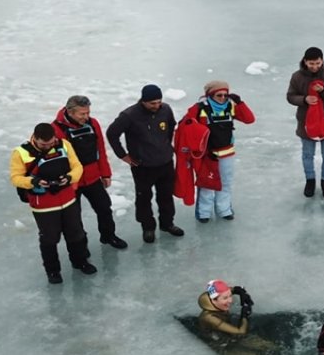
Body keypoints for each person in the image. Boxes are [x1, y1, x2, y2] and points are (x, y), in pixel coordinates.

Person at [9, 122, 96, 284]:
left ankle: (80, 261)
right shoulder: (20, 153)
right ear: (35, 138)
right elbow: (15, 178)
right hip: (43, 206)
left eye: (51, 143)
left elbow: (77, 167)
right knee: (49, 239)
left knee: (76, 233)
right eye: (44, 144)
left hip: (68, 200)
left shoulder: (64, 144)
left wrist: (69, 178)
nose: (48, 146)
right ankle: (53, 271)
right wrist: (34, 182)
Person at [106, 84, 184, 243]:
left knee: (166, 196)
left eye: (158, 102)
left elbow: (171, 127)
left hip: (165, 163)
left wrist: (165, 147)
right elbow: (112, 134)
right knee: (144, 198)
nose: (156, 106)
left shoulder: (166, 109)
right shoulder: (129, 115)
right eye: (152, 103)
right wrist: (123, 156)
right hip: (142, 166)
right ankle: (148, 227)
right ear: (143, 101)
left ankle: (167, 223)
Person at [52, 95, 128, 249]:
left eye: (88, 113)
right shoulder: (56, 130)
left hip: (92, 177)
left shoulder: (93, 124)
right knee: (73, 218)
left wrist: (105, 174)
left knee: (104, 207)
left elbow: (100, 149)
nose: (86, 117)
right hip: (72, 182)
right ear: (70, 112)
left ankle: (108, 236)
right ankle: (81, 248)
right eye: (82, 114)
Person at [183, 80, 256, 222]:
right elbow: (187, 127)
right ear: (210, 95)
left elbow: (249, 119)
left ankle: (224, 209)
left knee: (226, 182)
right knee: (207, 183)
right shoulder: (199, 108)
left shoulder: (230, 106)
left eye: (225, 95)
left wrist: (240, 103)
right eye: (219, 95)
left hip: (226, 152)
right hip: (207, 155)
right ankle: (204, 212)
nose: (223, 98)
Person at [285, 46, 324, 198]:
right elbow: (290, 96)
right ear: (305, 62)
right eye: (311, 63)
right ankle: (310, 181)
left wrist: (323, 91)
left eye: (317, 63)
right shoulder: (297, 77)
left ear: (322, 60)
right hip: (307, 123)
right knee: (307, 155)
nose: (315, 66)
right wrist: (304, 99)